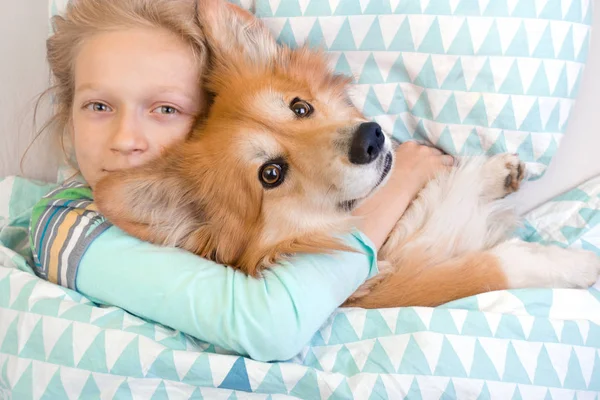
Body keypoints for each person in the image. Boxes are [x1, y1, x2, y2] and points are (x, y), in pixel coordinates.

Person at [28, 0, 454, 362]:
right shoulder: (63, 225)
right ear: (66, 111)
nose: (126, 140)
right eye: (98, 105)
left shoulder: (212, 193)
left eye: (166, 109)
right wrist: (402, 182)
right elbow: (271, 322)